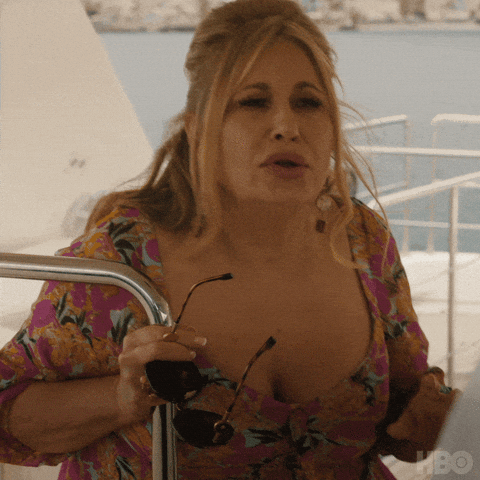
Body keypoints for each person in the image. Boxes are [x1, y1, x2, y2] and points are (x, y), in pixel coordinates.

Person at [0, 0, 458, 478]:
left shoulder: (363, 240)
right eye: (253, 102)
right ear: (199, 130)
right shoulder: (123, 262)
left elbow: (406, 409)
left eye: (308, 102)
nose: (287, 127)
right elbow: (8, 412)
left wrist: (434, 421)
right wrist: (121, 398)